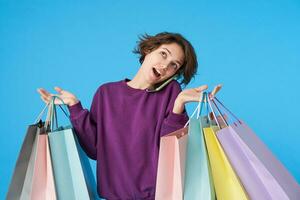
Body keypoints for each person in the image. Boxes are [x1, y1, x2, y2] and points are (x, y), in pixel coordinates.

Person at [38, 32, 221, 200]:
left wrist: (179, 104)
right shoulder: (106, 93)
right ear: (148, 49)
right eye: (163, 54)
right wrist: (74, 106)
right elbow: (95, 149)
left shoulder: (171, 93)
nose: (165, 65)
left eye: (174, 65)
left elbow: (170, 152)